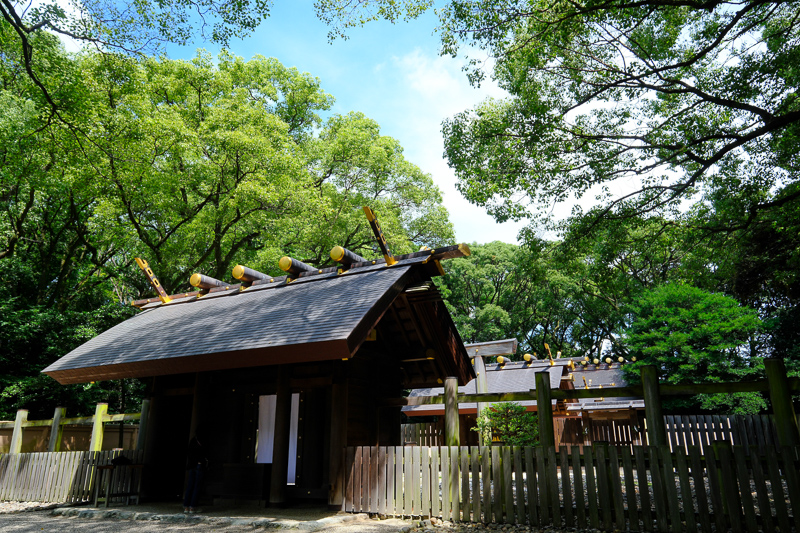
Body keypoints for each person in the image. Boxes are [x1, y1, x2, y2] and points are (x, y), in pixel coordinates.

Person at [183, 434, 208, 513]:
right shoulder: (203, 440)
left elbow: (189, 453)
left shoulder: (193, 441)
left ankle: (186, 506)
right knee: (197, 486)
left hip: (192, 465)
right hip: (199, 464)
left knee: (190, 485)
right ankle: (192, 507)